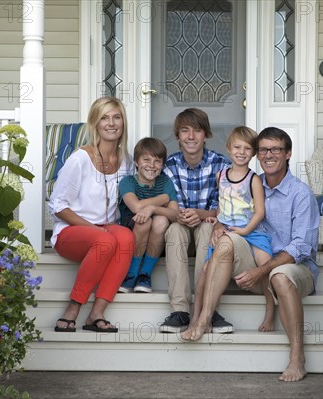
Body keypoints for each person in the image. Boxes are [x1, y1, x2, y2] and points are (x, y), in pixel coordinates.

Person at [181, 127, 320, 383]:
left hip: (293, 268)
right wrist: (220, 224)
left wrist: (260, 270)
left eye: (276, 149)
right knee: (223, 243)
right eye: (264, 149)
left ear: (287, 154)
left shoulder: (300, 194)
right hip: (255, 255)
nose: (269, 155)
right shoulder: (251, 182)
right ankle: (203, 319)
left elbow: (301, 247)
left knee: (279, 276)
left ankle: (297, 357)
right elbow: (230, 210)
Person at [49, 96, 134, 333]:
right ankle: (74, 308)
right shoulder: (80, 159)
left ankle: (96, 313)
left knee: (125, 237)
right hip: (71, 231)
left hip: (105, 229)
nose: (111, 123)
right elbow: (58, 205)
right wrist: (92, 228)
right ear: (95, 123)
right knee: (105, 239)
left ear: (123, 123)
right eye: (104, 118)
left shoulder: (127, 161)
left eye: (117, 117)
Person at [191, 126, 275, 333]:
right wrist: (218, 223)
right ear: (228, 148)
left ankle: (271, 312)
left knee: (265, 266)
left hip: (252, 231)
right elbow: (222, 205)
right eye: (237, 147)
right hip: (228, 230)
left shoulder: (253, 179)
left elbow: (260, 212)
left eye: (247, 148)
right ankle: (197, 316)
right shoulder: (221, 175)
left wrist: (246, 231)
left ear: (254, 153)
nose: (241, 152)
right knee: (205, 270)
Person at [159, 108, 231, 333]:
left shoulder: (221, 164)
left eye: (197, 131)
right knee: (174, 231)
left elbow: (228, 207)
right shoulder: (169, 165)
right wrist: (181, 213)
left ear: (206, 134)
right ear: (178, 135)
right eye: (185, 131)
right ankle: (180, 310)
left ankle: (207, 308)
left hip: (206, 231)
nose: (191, 137)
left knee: (206, 230)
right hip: (180, 230)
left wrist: (202, 215)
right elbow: (169, 204)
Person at [117, 137, 179, 293]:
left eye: (157, 161)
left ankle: (145, 274)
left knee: (161, 221)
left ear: (162, 165)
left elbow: (176, 215)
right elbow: (136, 207)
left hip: (156, 238)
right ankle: (131, 273)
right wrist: (162, 199)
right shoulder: (128, 181)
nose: (152, 166)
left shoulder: (165, 182)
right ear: (136, 162)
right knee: (144, 221)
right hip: (131, 231)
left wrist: (152, 208)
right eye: (146, 160)